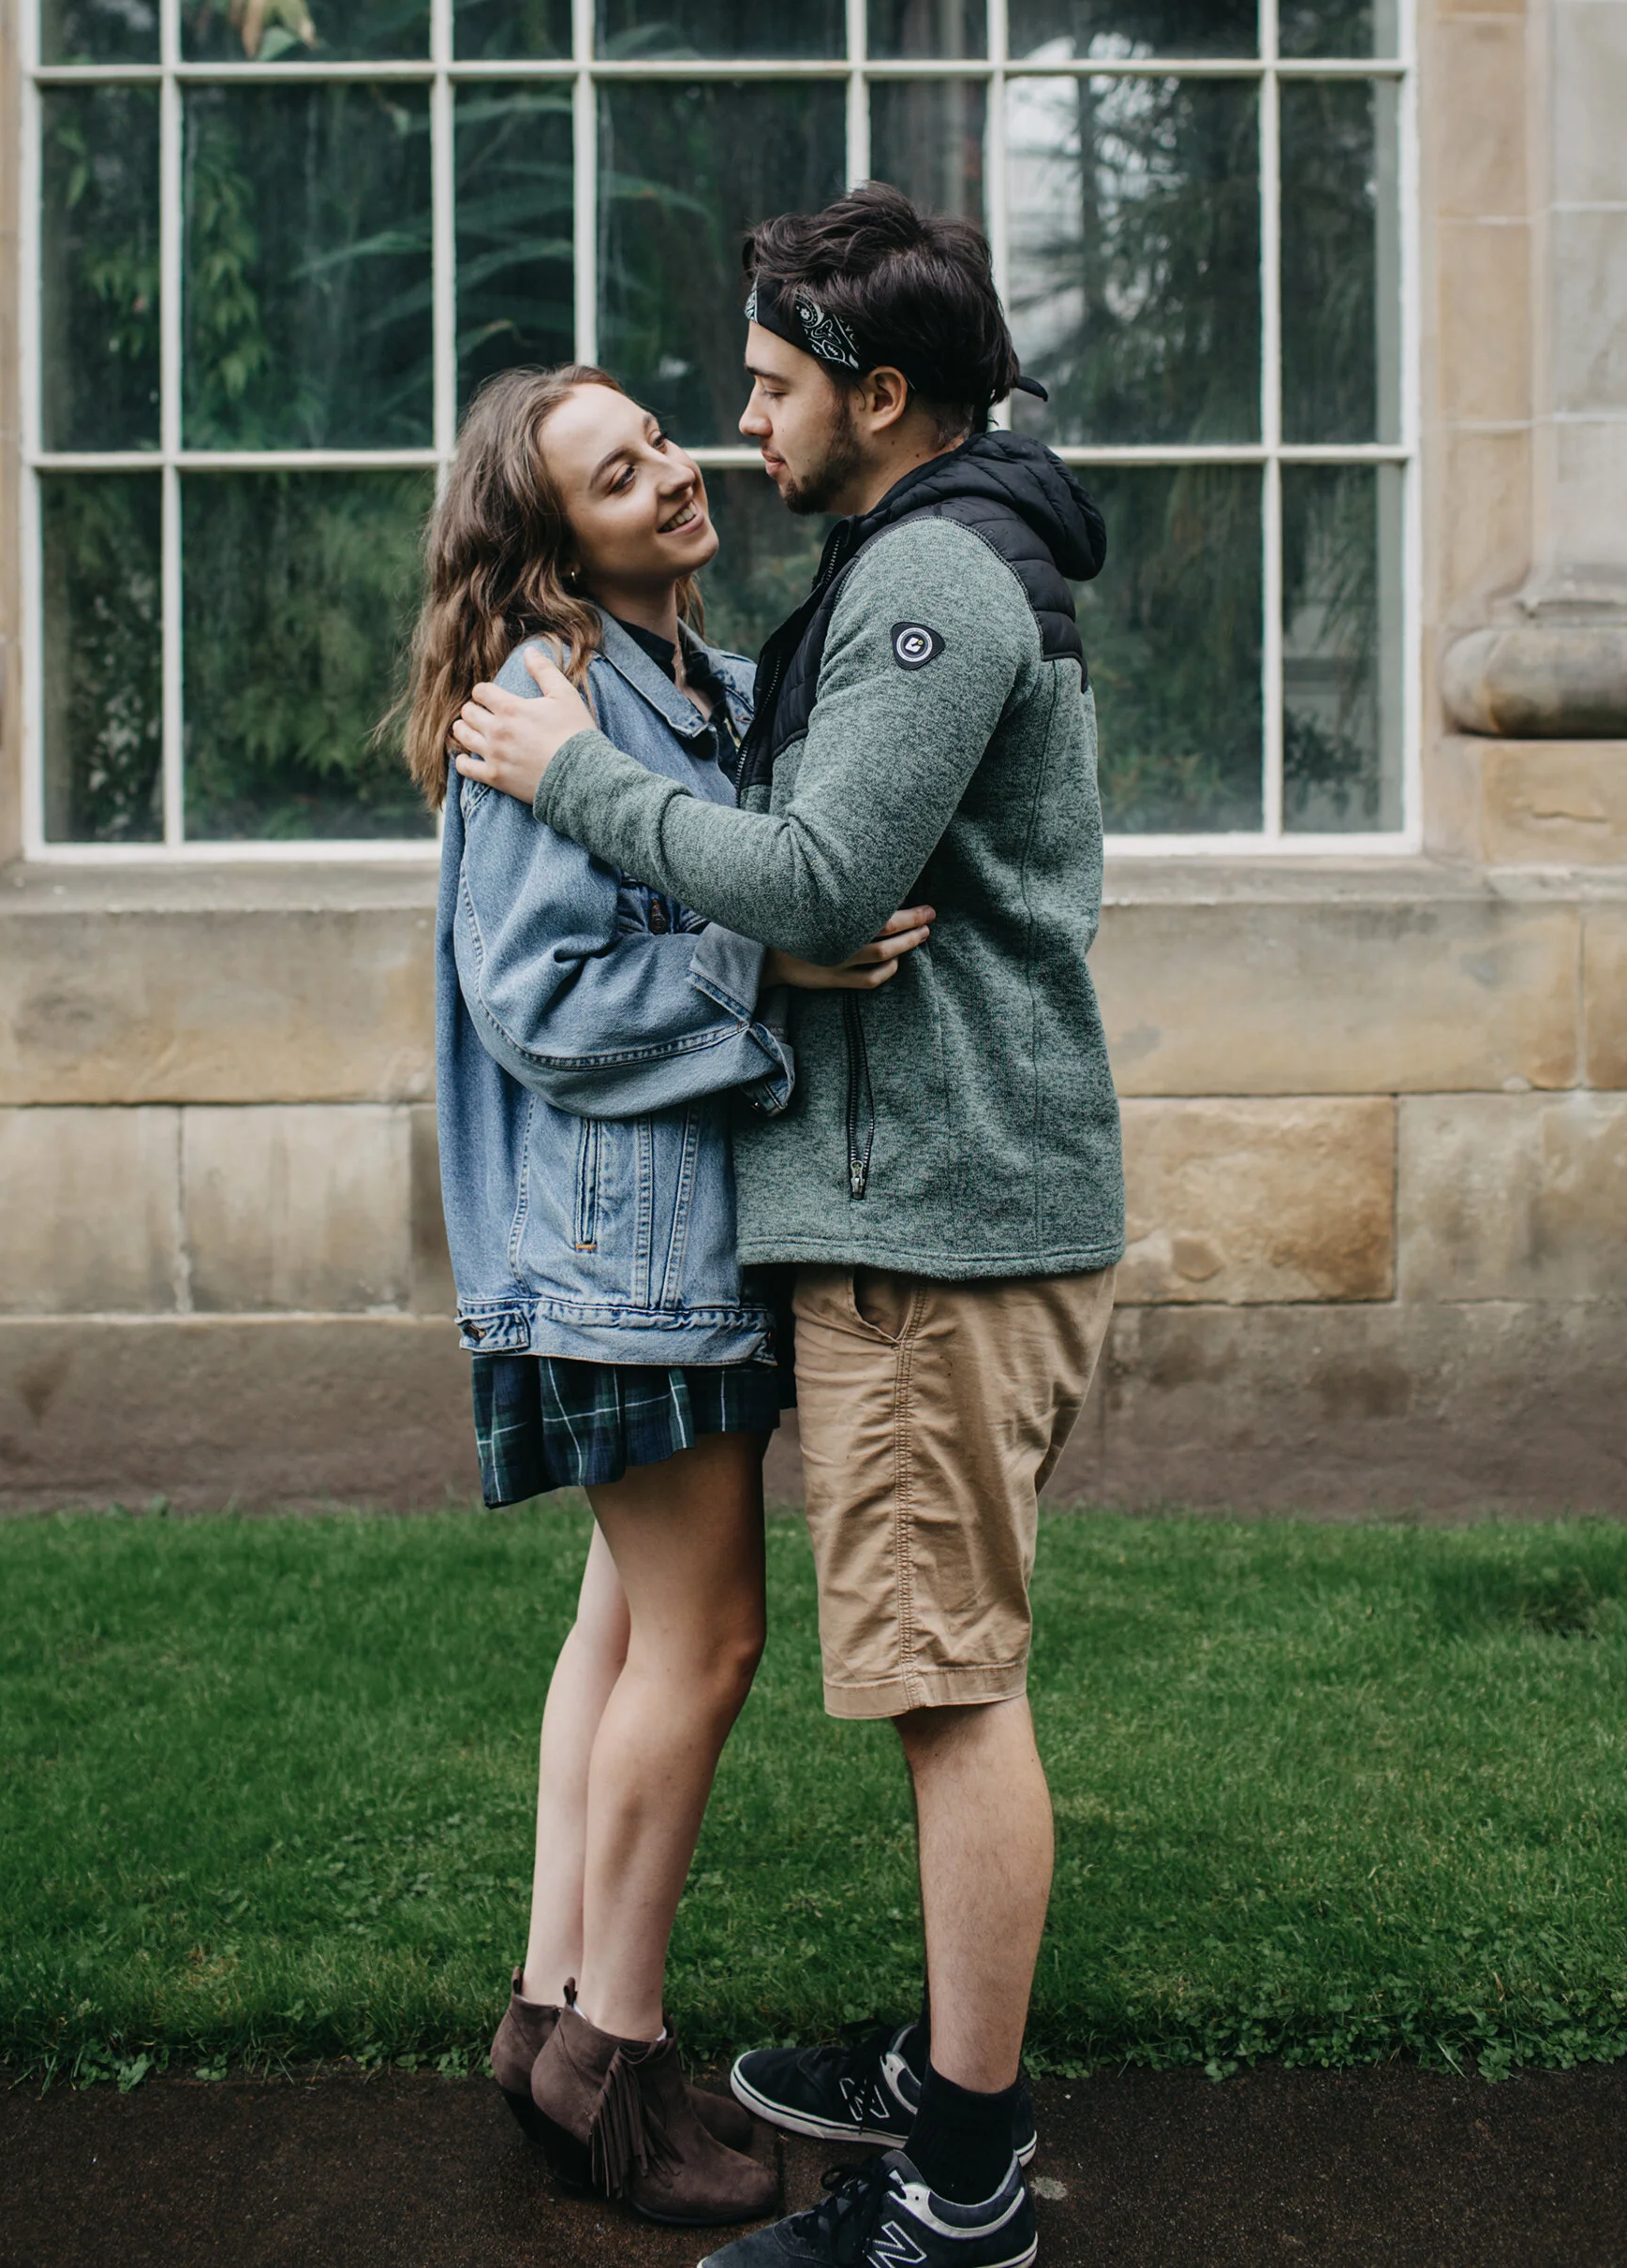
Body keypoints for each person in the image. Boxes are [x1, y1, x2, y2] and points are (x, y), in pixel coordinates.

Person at [451, 186, 1127, 2268]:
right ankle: (854, 2072)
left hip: (935, 1220)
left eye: (759, 388)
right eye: (669, 427)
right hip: (853, 1213)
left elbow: (825, 872)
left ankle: (959, 2192)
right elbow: (673, 919)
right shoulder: (875, 577)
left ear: (882, 392)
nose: (734, 430)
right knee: (750, 1641)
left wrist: (581, 776)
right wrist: (588, 766)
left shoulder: (922, 584)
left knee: (945, 1684)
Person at [407, 361, 931, 2233]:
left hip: (651, 1246)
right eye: (616, 474)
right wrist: (770, 959)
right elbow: (536, 990)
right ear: (554, 543)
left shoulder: (672, 683)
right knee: (704, 1648)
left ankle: (547, 2010)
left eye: (657, 439)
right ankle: (617, 2063)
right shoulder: (544, 699)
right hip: (628, 1258)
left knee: (622, 1631)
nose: (671, 474)